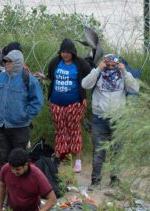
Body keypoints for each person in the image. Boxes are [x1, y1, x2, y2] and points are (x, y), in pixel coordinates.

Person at [0, 49, 44, 185]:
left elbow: (37, 102)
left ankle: (20, 187)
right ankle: (2, 187)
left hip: (20, 128)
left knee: (19, 159)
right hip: (0, 125)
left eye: (9, 61)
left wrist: (25, 115)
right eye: (5, 61)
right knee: (2, 158)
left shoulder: (28, 79)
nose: (6, 63)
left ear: (17, 63)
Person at [81, 54, 139, 186]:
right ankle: (95, 181)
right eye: (108, 65)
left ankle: (115, 179)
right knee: (98, 152)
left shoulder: (122, 75)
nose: (111, 68)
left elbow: (135, 88)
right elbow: (84, 84)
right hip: (99, 119)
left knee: (116, 151)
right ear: (103, 63)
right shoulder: (98, 74)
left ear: (118, 65)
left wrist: (125, 72)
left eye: (114, 65)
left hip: (118, 119)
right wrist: (97, 70)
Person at [47, 38, 91, 173]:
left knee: (74, 130)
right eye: (62, 52)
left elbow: (89, 76)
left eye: (68, 52)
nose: (65, 54)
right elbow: (50, 76)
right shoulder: (55, 62)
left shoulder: (80, 63)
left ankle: (77, 159)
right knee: (60, 130)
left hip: (75, 104)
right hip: (56, 103)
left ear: (73, 52)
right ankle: (60, 156)